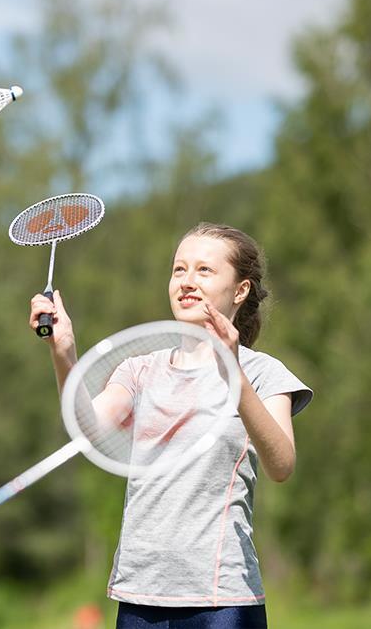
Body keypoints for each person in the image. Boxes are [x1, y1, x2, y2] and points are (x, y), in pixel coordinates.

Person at [29, 222, 312, 629]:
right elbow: (89, 431)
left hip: (221, 599)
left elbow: (281, 465)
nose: (187, 282)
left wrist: (232, 370)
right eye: (179, 269)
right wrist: (64, 353)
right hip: (139, 595)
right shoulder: (140, 370)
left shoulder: (263, 372)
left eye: (204, 271)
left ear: (240, 290)